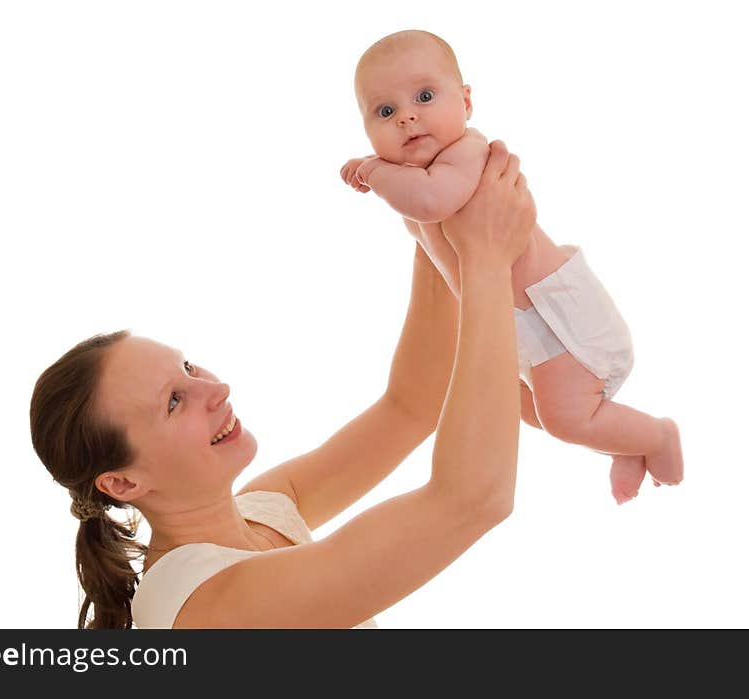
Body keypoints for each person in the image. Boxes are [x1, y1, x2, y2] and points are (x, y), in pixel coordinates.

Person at [30, 141, 533, 629]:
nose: (217, 389)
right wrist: (484, 259)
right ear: (122, 483)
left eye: (188, 369)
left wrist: (434, 222)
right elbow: (472, 499)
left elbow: (412, 405)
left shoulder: (264, 509)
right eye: (175, 402)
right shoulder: (202, 606)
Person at [340, 29, 683, 504]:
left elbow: (431, 202)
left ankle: (657, 436)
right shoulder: (419, 173)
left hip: (562, 320)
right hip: (527, 330)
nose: (407, 117)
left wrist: (375, 171)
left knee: (565, 417)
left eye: (423, 96)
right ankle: (620, 442)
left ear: (466, 102)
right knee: (530, 411)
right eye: (385, 111)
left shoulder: (467, 154)